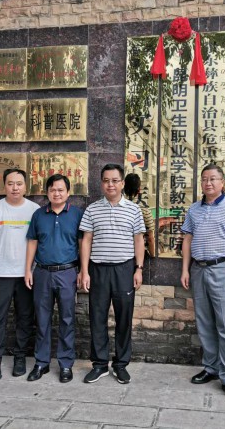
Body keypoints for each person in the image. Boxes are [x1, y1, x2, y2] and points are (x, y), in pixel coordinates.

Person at [180, 164, 225, 402]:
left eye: (213, 179)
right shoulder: (194, 209)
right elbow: (187, 239)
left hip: (222, 269)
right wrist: (185, 269)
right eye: (205, 179)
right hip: (198, 269)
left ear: (222, 182)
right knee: (205, 322)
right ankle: (211, 367)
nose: (208, 183)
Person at [79, 164, 146, 384]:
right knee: (97, 317)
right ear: (101, 183)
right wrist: (84, 270)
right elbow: (86, 240)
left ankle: (121, 364)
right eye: (106, 180)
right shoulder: (92, 209)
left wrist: (138, 269)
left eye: (115, 180)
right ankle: (99, 364)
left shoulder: (133, 210)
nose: (111, 184)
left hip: (124, 269)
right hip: (98, 269)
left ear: (122, 183)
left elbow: (139, 240)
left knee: (124, 318)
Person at [25, 174, 84, 383]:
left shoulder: (77, 214)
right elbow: (32, 242)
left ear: (68, 192)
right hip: (42, 272)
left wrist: (83, 271)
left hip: (68, 272)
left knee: (67, 319)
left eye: (60, 190)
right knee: (42, 319)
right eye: (52, 190)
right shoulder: (39, 215)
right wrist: (28, 269)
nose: (56, 193)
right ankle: (41, 362)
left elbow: (83, 244)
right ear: (47, 192)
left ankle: (66, 364)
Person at [0, 169, 39, 380]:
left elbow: (37, 242)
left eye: (19, 183)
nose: (15, 188)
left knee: (25, 318)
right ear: (4, 185)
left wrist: (32, 270)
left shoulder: (34, 210)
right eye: (10, 183)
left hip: (27, 275)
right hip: (0, 273)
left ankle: (20, 357)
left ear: (26, 186)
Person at [124, 173, 156, 257]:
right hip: (139, 254)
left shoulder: (116, 206)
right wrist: (153, 255)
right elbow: (150, 238)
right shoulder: (144, 210)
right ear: (139, 190)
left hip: (121, 253)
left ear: (123, 187)